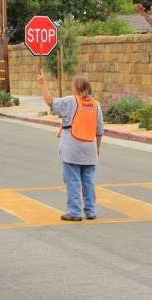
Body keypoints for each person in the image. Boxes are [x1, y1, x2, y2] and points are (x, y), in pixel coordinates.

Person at [38, 69, 104, 221]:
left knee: (73, 181)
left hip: (72, 148)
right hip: (90, 148)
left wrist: (43, 84)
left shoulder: (70, 101)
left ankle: (74, 212)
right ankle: (91, 211)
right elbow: (99, 131)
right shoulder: (96, 105)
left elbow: (50, 102)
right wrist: (97, 148)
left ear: (76, 88)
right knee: (89, 181)